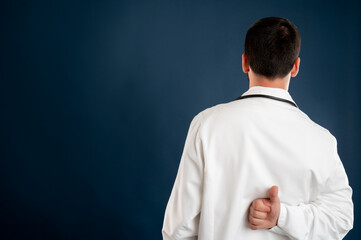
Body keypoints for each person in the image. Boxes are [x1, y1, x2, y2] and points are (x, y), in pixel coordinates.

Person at [161, 17, 353, 240]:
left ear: (245, 62)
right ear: (295, 67)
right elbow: (341, 218)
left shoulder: (206, 125)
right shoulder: (322, 141)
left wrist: (281, 216)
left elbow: (177, 229)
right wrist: (284, 217)